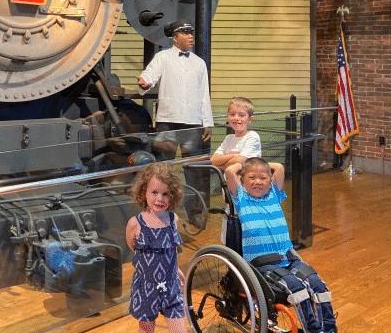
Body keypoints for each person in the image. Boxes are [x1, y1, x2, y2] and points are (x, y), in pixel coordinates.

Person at [225, 158, 337, 333]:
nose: (257, 182)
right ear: (243, 181)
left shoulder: (273, 195)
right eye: (252, 177)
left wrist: (260, 167)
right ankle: (313, 330)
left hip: (288, 258)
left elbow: (279, 167)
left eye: (263, 178)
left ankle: (329, 329)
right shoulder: (241, 198)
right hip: (262, 263)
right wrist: (245, 162)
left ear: (270, 181)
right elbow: (230, 171)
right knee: (296, 287)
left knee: (318, 285)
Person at [137, 19, 214, 228]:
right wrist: (145, 81)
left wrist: (207, 122)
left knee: (194, 171)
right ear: (175, 37)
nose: (191, 36)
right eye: (186, 33)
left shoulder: (199, 62)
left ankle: (195, 212)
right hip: (167, 123)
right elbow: (150, 75)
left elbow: (204, 94)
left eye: (192, 32)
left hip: (192, 123)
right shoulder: (162, 57)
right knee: (163, 171)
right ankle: (161, 213)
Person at [126, 163, 187, 333]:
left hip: (171, 285)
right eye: (154, 192)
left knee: (180, 328)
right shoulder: (135, 223)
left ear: (172, 196)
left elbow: (172, 248)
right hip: (146, 287)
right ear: (143, 193)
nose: (160, 198)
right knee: (146, 328)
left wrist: (175, 269)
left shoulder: (173, 219)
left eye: (165, 194)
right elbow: (133, 247)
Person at [210, 97, 261, 243]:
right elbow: (214, 160)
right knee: (230, 234)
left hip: (249, 196)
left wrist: (226, 158)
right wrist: (235, 155)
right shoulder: (228, 139)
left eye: (241, 115)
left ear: (250, 119)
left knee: (249, 234)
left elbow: (241, 161)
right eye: (232, 114)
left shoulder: (253, 137)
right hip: (230, 195)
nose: (236, 118)